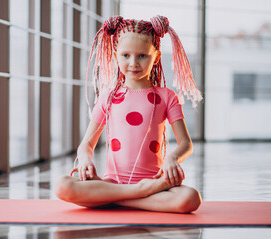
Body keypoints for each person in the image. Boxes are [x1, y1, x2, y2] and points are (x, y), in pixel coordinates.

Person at [54, 16, 203, 213]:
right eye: (126, 55)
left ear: (156, 57)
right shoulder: (108, 96)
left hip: (152, 183)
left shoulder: (167, 97)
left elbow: (186, 144)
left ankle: (114, 199)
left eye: (142, 56)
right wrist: (84, 160)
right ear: (116, 56)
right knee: (61, 185)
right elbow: (86, 145)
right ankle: (138, 193)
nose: (133, 63)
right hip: (114, 182)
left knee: (191, 198)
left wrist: (172, 159)